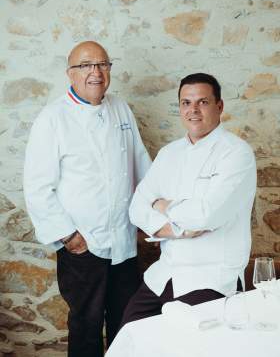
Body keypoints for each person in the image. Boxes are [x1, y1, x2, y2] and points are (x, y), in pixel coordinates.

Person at [23, 41, 151, 357]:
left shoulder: (121, 107)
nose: (95, 72)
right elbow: (37, 187)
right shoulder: (52, 118)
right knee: (86, 327)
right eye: (85, 65)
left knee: (127, 324)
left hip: (123, 240)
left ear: (109, 70)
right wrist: (70, 237)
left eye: (102, 64)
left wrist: (149, 216)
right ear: (70, 73)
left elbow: (140, 163)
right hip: (84, 246)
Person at [121, 73, 256, 326]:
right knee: (128, 334)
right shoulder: (168, 153)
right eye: (186, 103)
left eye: (202, 102)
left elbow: (207, 214)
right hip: (164, 274)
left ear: (220, 106)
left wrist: (163, 205)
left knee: (185, 347)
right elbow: (137, 208)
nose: (193, 110)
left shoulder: (236, 153)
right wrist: (178, 231)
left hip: (212, 279)